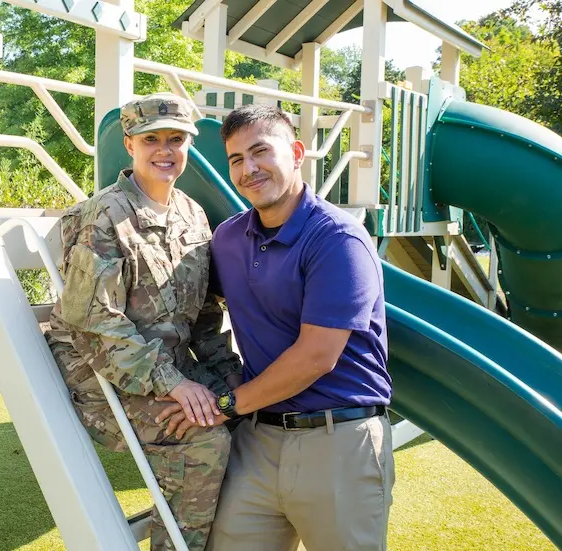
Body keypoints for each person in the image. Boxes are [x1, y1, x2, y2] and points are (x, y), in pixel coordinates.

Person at [158, 104, 394, 551]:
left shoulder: (337, 239)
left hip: (338, 442)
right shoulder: (227, 238)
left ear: (297, 153)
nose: (248, 169)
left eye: (261, 151)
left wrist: (225, 405)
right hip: (259, 441)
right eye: (236, 159)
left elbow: (316, 357)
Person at [45, 93, 242, 551]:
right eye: (151, 139)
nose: (165, 150)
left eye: (176, 139)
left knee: (245, 414)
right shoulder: (106, 215)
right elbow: (92, 322)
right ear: (130, 144)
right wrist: (175, 384)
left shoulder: (192, 216)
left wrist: (231, 374)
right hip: (100, 376)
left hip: (161, 369)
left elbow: (206, 316)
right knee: (203, 443)